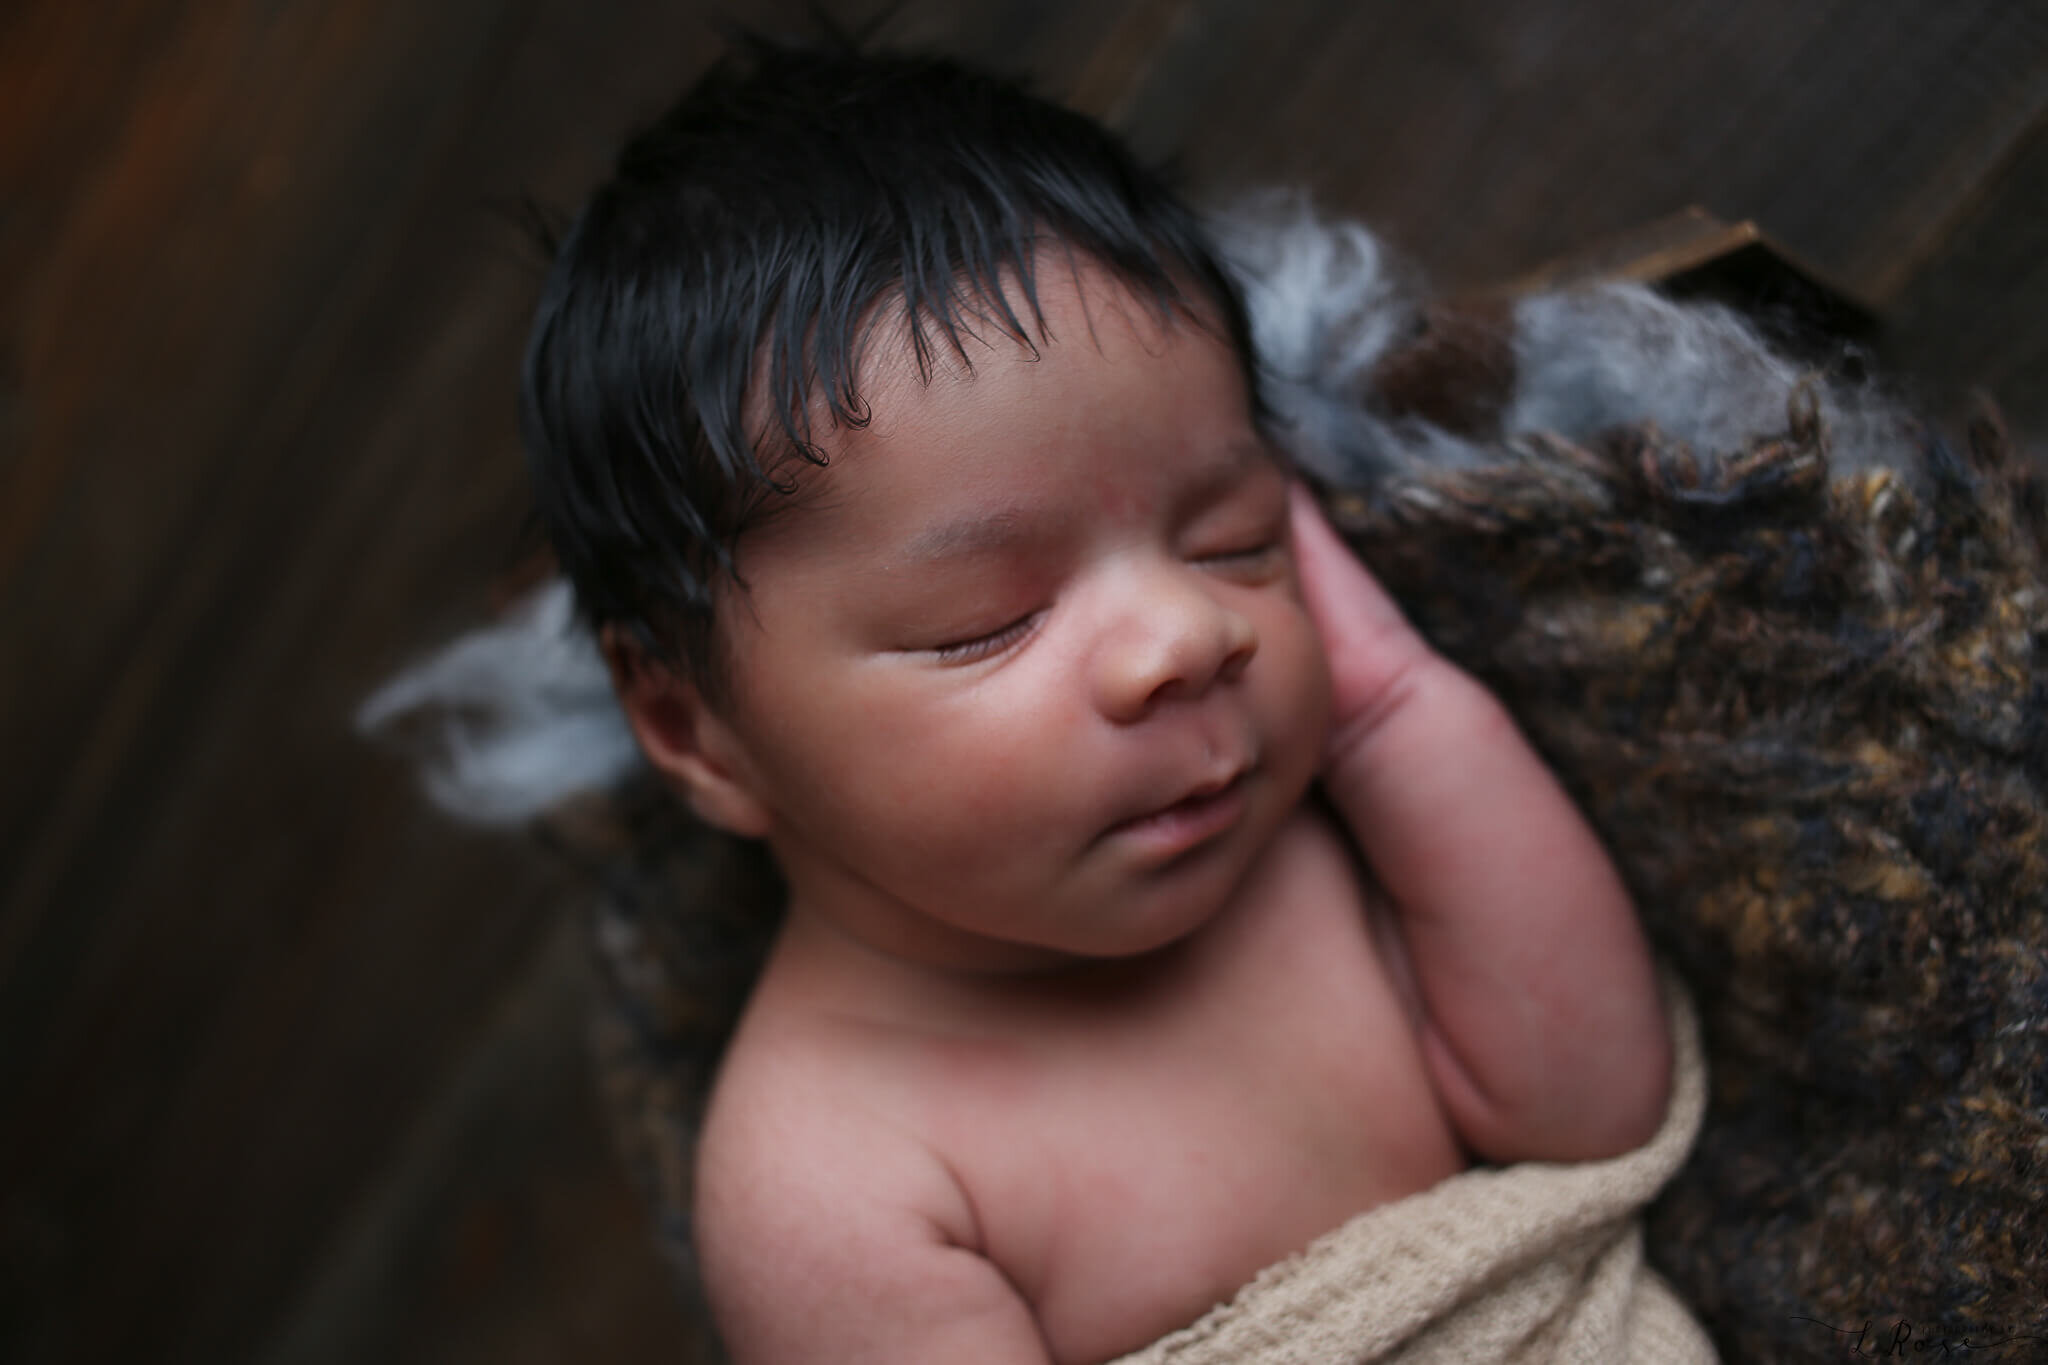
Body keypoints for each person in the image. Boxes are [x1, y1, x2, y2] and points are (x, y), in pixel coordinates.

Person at [520, 37, 1675, 1365]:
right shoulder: (836, 1177)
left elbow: (1595, 1112)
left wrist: (1391, 704)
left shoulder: (1308, 848)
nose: (1184, 637)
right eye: (991, 620)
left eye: (1233, 535)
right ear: (691, 728)